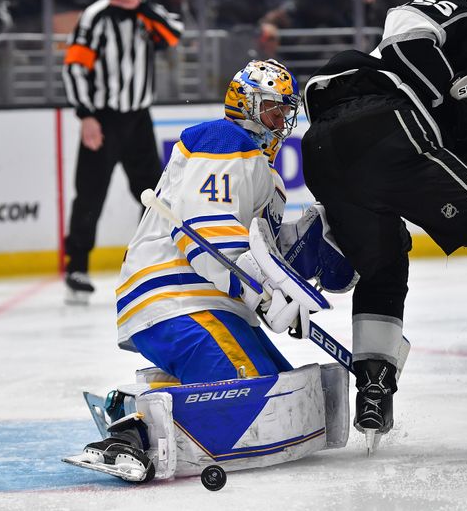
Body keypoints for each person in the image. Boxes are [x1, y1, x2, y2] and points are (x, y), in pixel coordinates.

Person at [300, 0, 467, 451]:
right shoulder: (459, 16)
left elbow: (454, 146)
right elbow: (404, 31)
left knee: (384, 269)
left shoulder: (417, 85)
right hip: (385, 126)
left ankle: (373, 389)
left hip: (324, 153)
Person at [63, 59, 355, 483]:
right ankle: (132, 434)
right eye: (273, 109)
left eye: (285, 112)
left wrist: (320, 248)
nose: (281, 121)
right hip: (177, 299)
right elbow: (205, 231)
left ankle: (153, 396)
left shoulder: (260, 168)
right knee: (254, 400)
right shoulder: (223, 138)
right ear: (246, 104)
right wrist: (263, 294)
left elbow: (263, 251)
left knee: (281, 389)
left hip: (210, 304)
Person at [61, 0, 183, 304]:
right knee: (90, 193)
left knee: (154, 195)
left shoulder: (147, 14)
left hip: (139, 118)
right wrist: (86, 114)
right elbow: (74, 67)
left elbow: (174, 35)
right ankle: (78, 267)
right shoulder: (96, 16)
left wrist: (140, 6)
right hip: (103, 117)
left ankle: (158, 260)